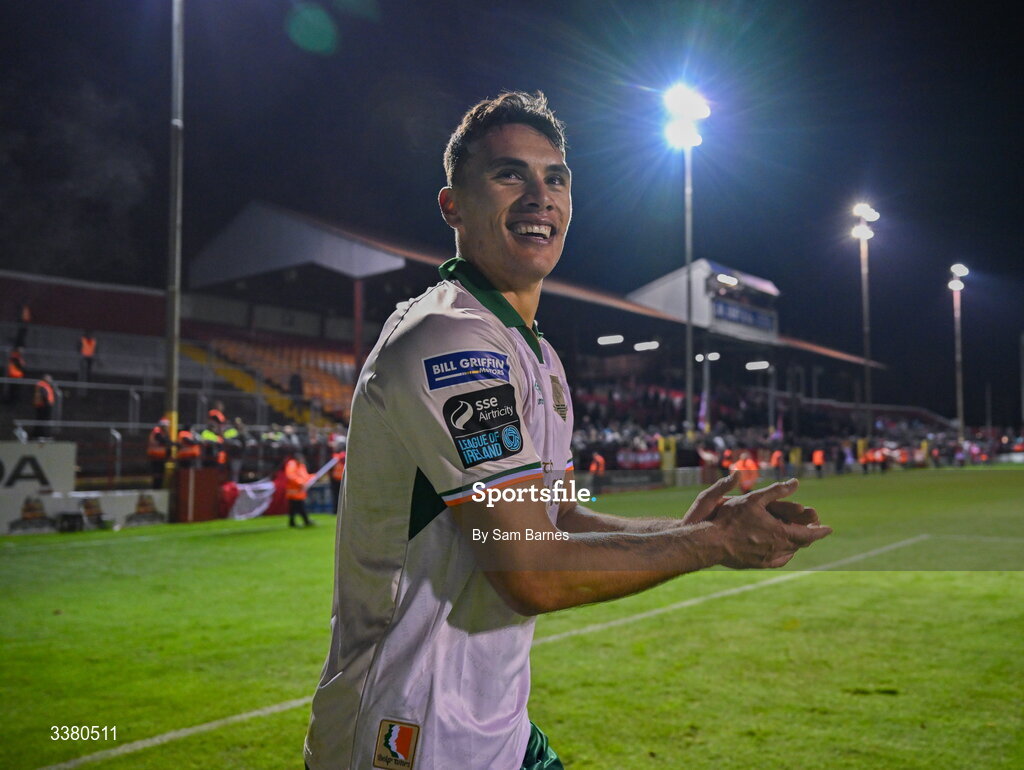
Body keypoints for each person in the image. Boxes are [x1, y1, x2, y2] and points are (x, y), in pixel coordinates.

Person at [303, 91, 831, 770]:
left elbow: (550, 518)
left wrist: (689, 527)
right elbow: (531, 572)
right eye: (508, 174)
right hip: (411, 737)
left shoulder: (536, 355)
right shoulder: (448, 341)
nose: (538, 196)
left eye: (555, 178)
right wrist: (709, 545)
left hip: (495, 731)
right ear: (452, 206)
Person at [284, 451, 313, 527]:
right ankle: (305, 521)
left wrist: (313, 477)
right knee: (299, 507)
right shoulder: (292, 465)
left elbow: (304, 476)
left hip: (299, 492)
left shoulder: (301, 465)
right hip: (294, 491)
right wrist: (301, 483)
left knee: (294, 508)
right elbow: (291, 476)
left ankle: (292, 522)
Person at [147, 417, 171, 489]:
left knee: (160, 474)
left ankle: (158, 487)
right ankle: (156, 488)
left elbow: (167, 444)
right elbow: (163, 441)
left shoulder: (164, 433)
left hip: (161, 457)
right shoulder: (157, 431)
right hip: (155, 456)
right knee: (156, 475)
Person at [32, 374, 55, 438]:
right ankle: (42, 435)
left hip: (43, 405)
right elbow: (44, 395)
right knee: (43, 420)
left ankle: (40, 434)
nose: (51, 380)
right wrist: (47, 403)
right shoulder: (43, 384)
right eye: (49, 378)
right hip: (43, 405)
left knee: (42, 420)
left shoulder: (45, 385)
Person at [328, 437, 346, 514]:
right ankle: (337, 510)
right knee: (338, 495)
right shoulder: (337, 456)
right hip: (338, 478)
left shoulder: (339, 456)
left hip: (339, 478)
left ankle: (337, 510)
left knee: (337, 495)